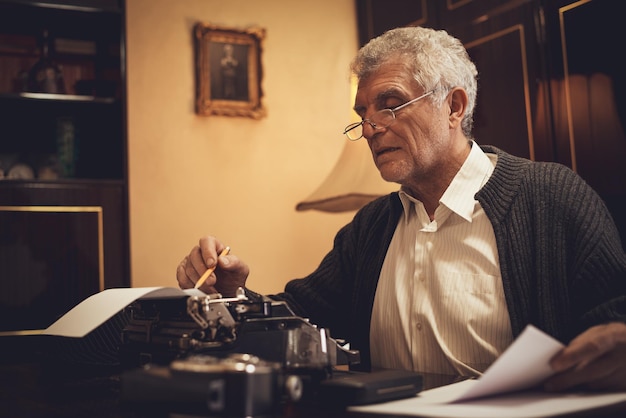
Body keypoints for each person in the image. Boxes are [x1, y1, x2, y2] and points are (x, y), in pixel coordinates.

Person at [177, 26, 626, 391]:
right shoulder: (372, 226)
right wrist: (231, 293)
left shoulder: (551, 197)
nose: (371, 128)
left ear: (454, 106)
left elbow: (614, 321)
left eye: (390, 106)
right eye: (364, 112)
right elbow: (302, 325)